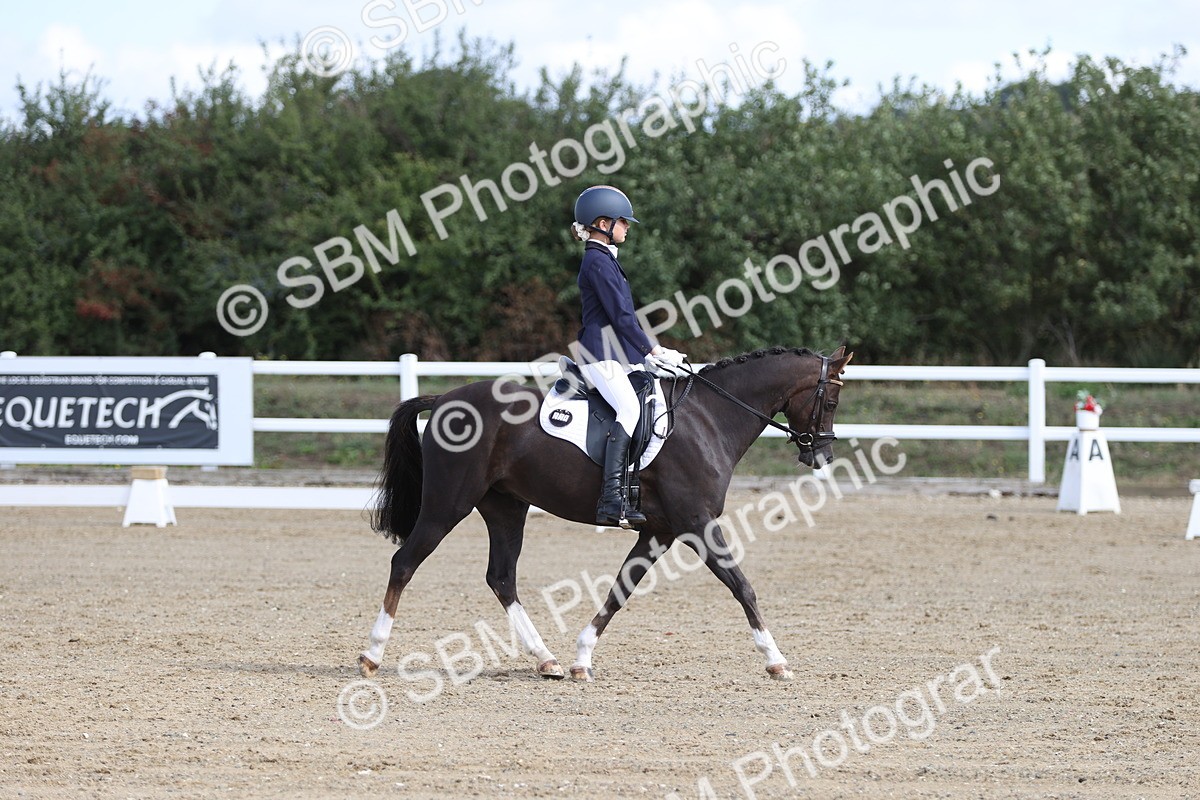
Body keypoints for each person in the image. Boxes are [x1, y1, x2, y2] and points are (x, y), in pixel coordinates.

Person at [570, 185, 686, 527]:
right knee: (630, 408)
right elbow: (622, 318)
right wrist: (654, 350)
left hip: (614, 354)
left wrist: (644, 359)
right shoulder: (597, 262)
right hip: (598, 355)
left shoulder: (604, 260)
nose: (627, 227)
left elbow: (622, 320)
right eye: (623, 222)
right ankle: (611, 500)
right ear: (603, 222)